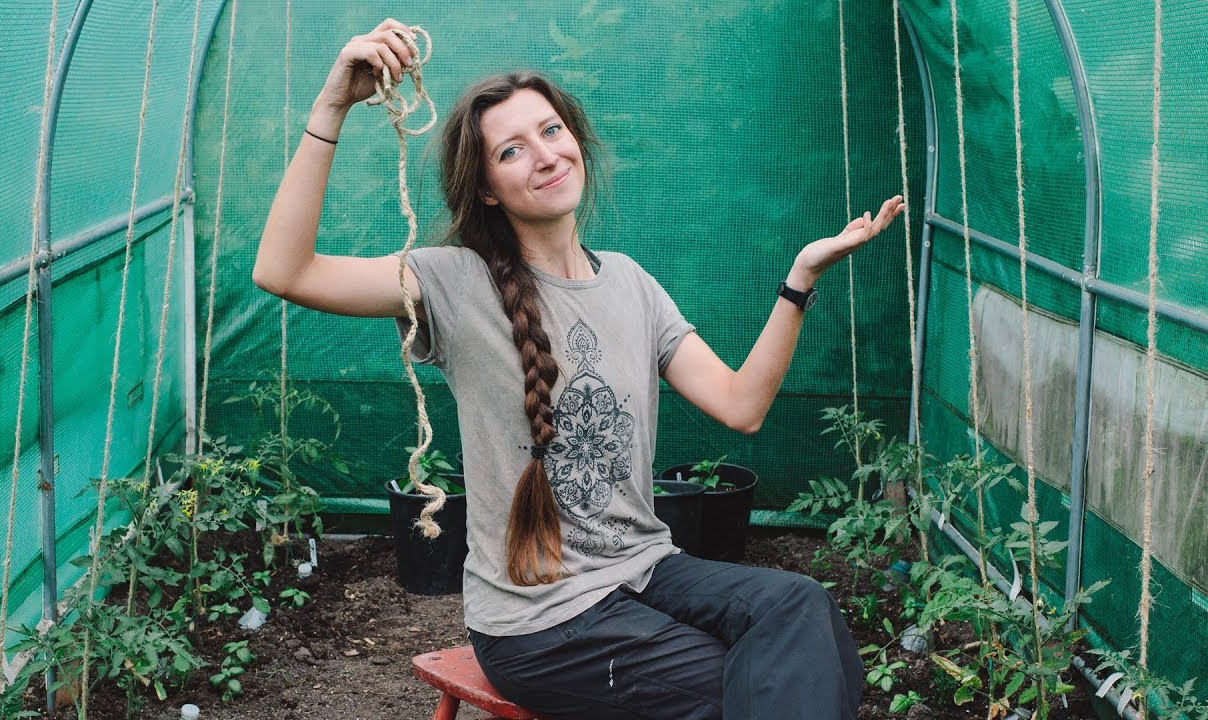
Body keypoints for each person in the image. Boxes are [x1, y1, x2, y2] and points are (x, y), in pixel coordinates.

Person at [254, 18, 904, 720]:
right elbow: (286, 271)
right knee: (762, 682)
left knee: (801, 608)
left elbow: (741, 405)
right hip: (541, 624)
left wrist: (801, 277)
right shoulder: (453, 282)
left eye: (551, 131)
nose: (543, 155)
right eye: (511, 150)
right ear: (489, 190)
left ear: (576, 140)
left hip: (647, 572)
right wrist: (331, 107)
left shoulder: (630, 282)